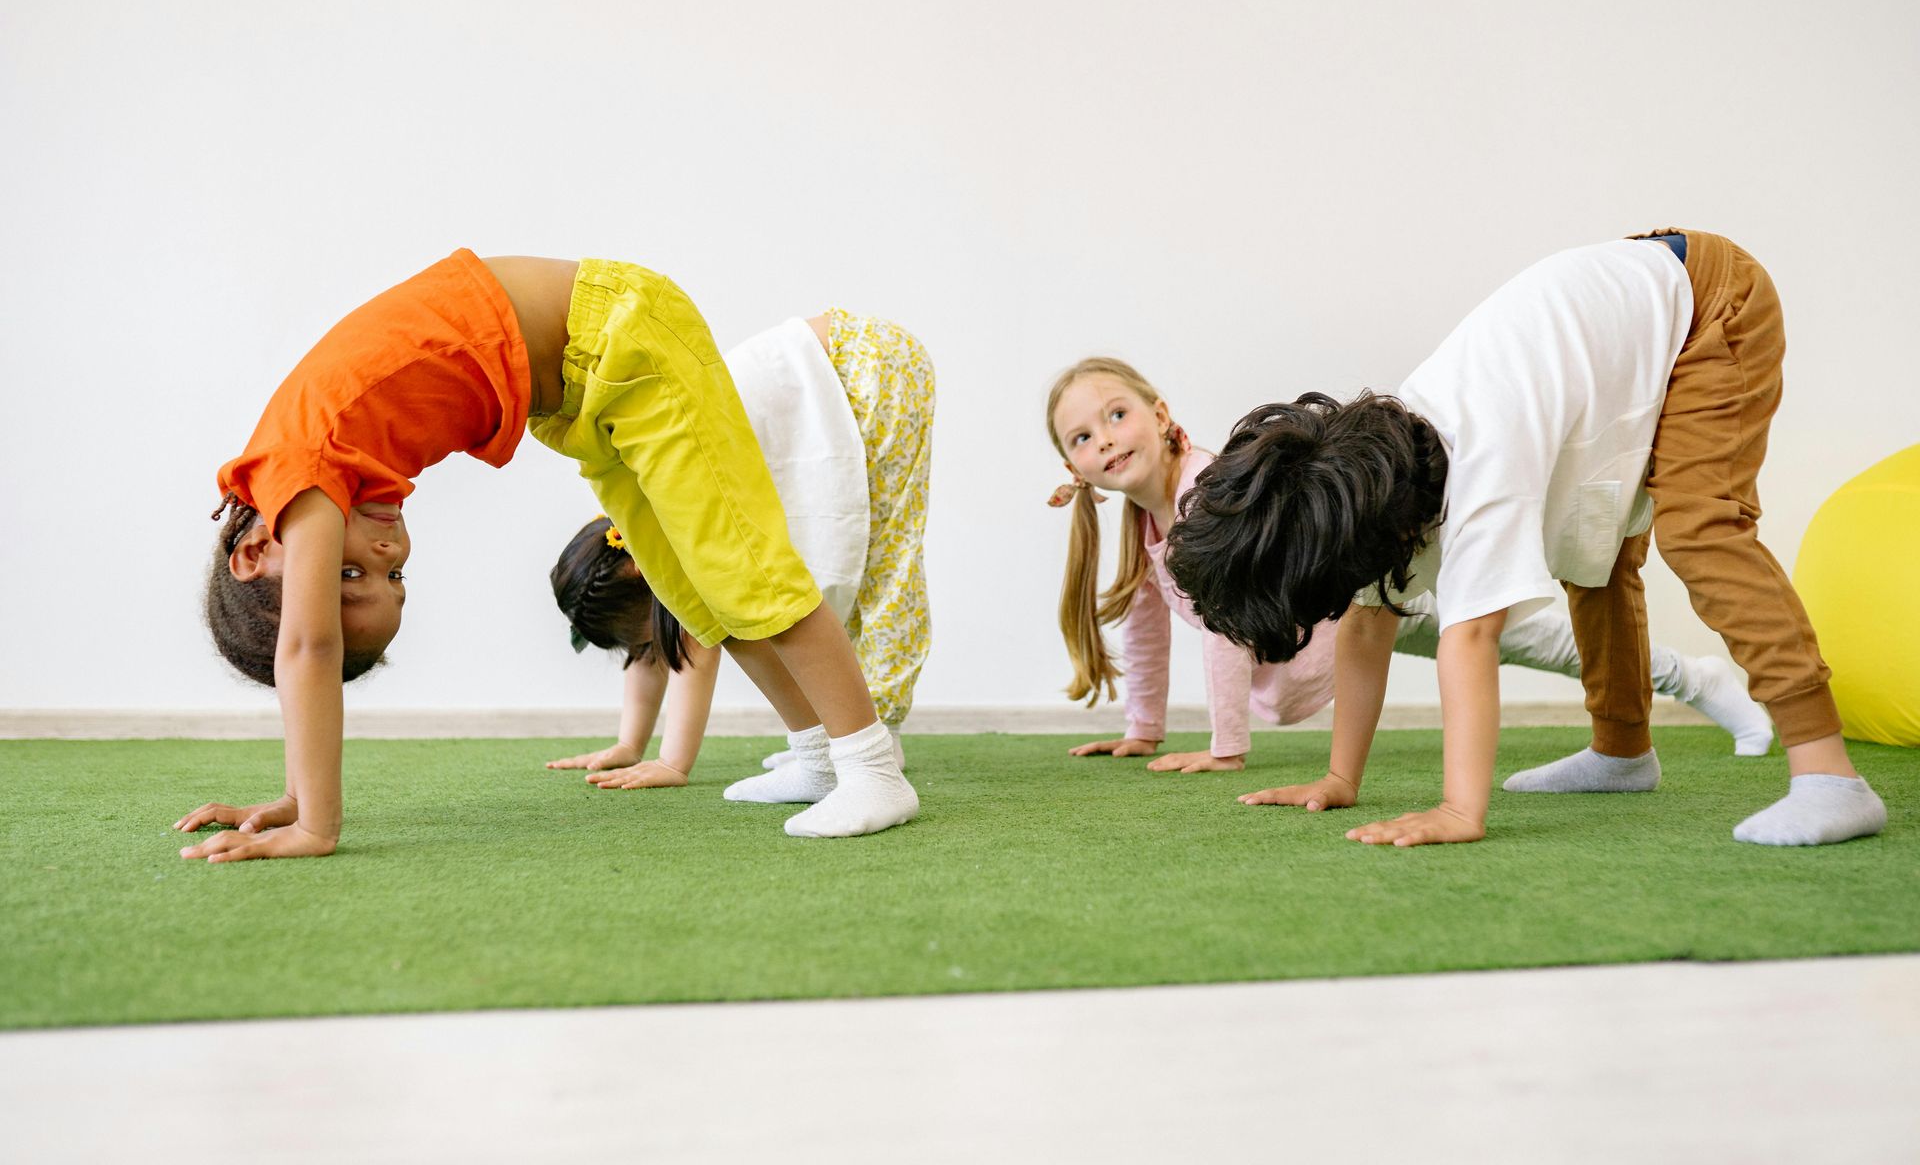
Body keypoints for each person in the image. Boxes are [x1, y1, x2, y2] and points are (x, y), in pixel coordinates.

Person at [182, 253, 914, 862]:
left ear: (254, 552)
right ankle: (818, 754)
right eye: (394, 575)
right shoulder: (303, 473)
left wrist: (318, 823)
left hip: (621, 334)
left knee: (745, 568)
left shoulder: (299, 473)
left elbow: (308, 647)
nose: (384, 550)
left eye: (345, 575)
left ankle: (871, 766)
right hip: (584, 393)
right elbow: (311, 641)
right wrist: (294, 795)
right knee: (696, 589)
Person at [1165, 231, 1887, 847]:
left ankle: (1829, 774)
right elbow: (1366, 622)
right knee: (1593, 559)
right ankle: (1622, 752)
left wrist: (1459, 809)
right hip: (1624, 317)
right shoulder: (1352, 487)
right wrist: (1340, 778)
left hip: (1706, 305)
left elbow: (1470, 641)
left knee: (1701, 529)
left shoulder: (1478, 466)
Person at [1047, 357, 1771, 774]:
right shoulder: (1143, 524)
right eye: (1082, 436)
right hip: (1342, 627)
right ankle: (1678, 676)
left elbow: (1222, 635)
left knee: (1532, 640)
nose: (1105, 439)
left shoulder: (1209, 493)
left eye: (1116, 415)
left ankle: (1688, 676)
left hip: (1366, 595)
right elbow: (1147, 631)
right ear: (1074, 469)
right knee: (1533, 643)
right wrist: (1143, 728)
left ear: (1160, 411)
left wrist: (1227, 749)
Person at [548, 311, 933, 798]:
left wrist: (672, 762)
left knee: (884, 559)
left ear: (643, 577)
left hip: (869, 367)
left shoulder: (671, 525)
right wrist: (630, 743)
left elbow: (696, 648)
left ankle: (880, 735)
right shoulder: (638, 522)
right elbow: (654, 653)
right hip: (837, 369)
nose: (656, 652)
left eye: (649, 640)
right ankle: (847, 736)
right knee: (852, 562)